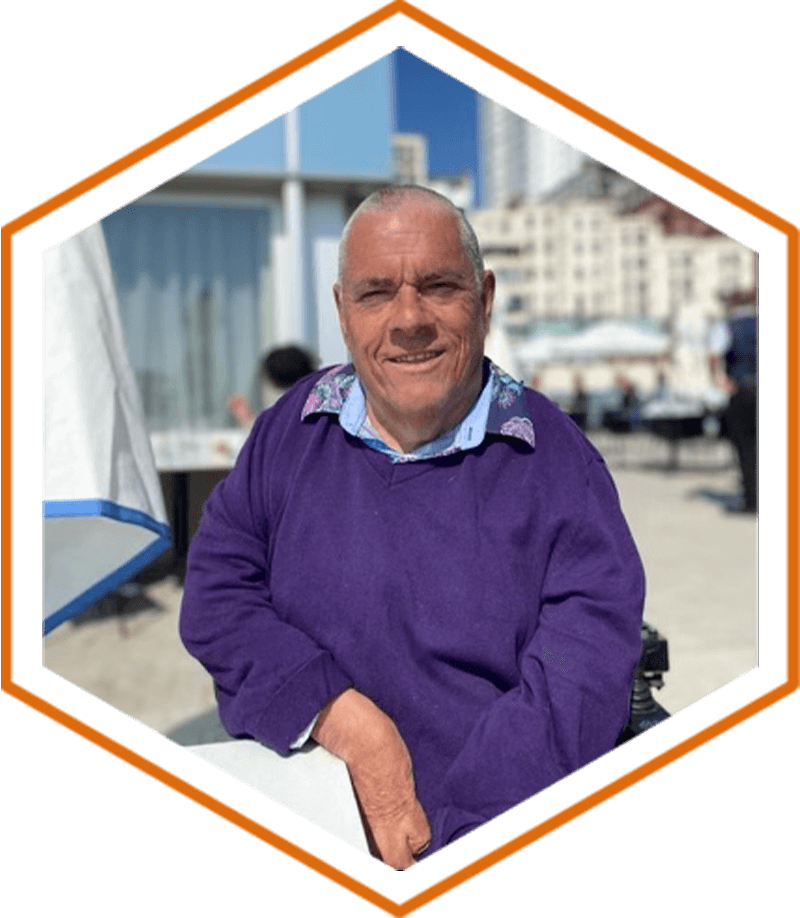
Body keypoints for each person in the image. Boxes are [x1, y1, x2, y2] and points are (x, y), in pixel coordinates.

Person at [179, 185, 646, 869]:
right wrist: (341, 718)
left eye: (438, 286)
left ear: (483, 300)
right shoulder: (289, 429)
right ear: (343, 311)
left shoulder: (555, 458)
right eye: (375, 293)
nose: (408, 319)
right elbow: (217, 595)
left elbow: (580, 681)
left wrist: (452, 835)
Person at [710, 293, 757, 512]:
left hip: (743, 390)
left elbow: (714, 355)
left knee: (746, 446)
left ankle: (751, 500)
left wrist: (720, 381)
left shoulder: (728, 326)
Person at [227, 344, 317, 428]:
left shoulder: (284, 413)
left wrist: (247, 419)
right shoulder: (318, 406)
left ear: (273, 382)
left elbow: (272, 434)